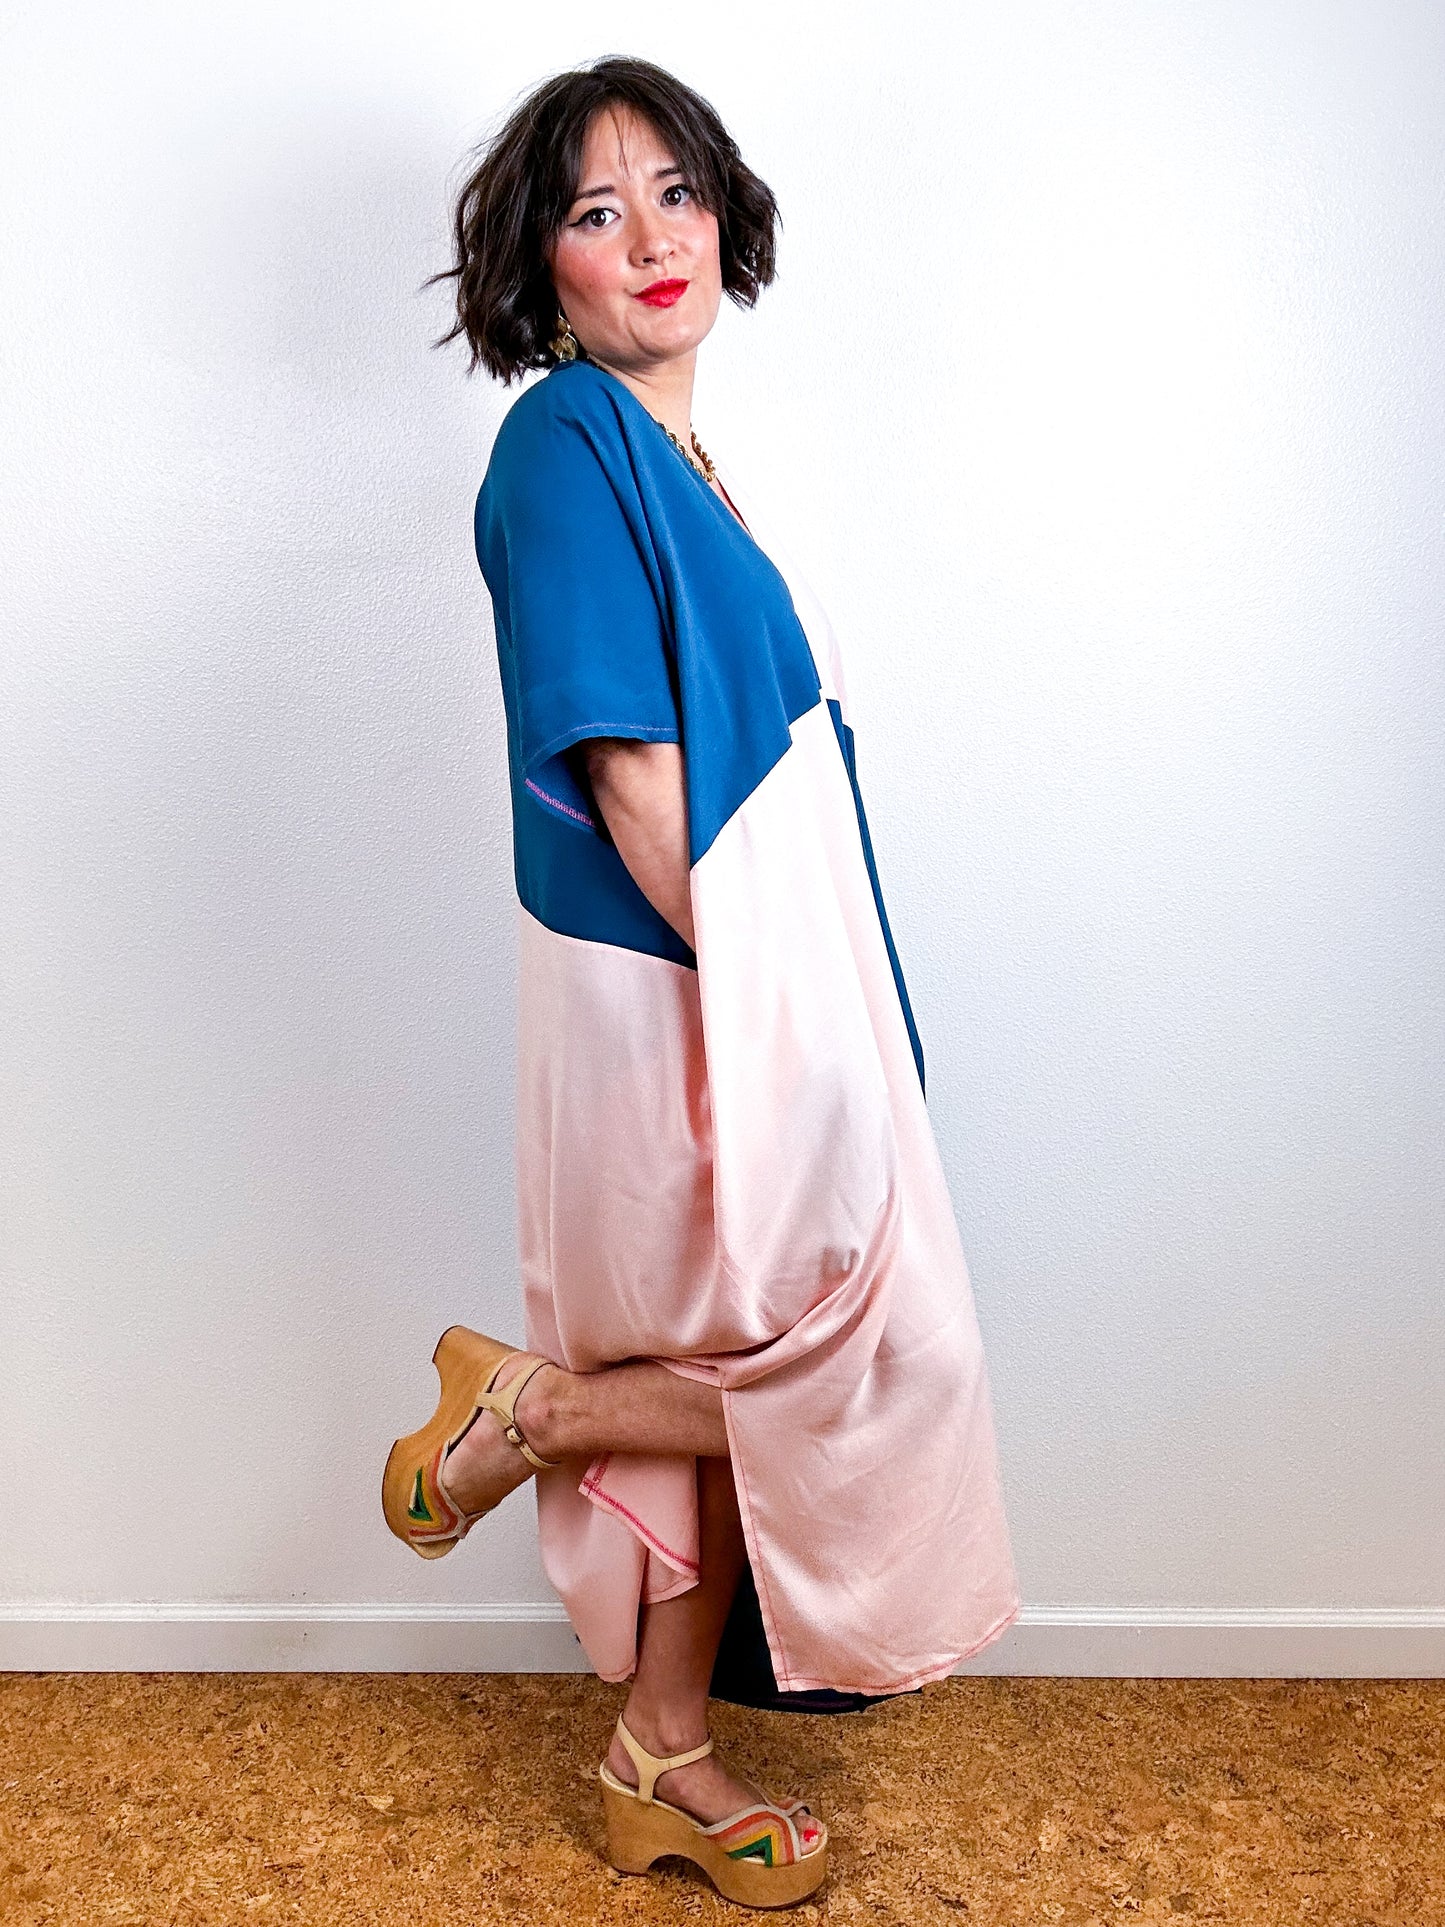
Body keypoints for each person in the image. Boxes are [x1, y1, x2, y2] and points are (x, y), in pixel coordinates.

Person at [382, 54, 1020, 1907]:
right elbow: (627, 766)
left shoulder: (681, 465)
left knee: (738, 1347)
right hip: (671, 981)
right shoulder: (564, 443)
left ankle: (656, 1753)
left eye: (675, 191)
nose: (651, 235)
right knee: (871, 1349)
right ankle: (536, 1414)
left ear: (727, 218)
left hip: (733, 970)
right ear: (544, 268)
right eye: (597, 211)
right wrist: (778, 1010)